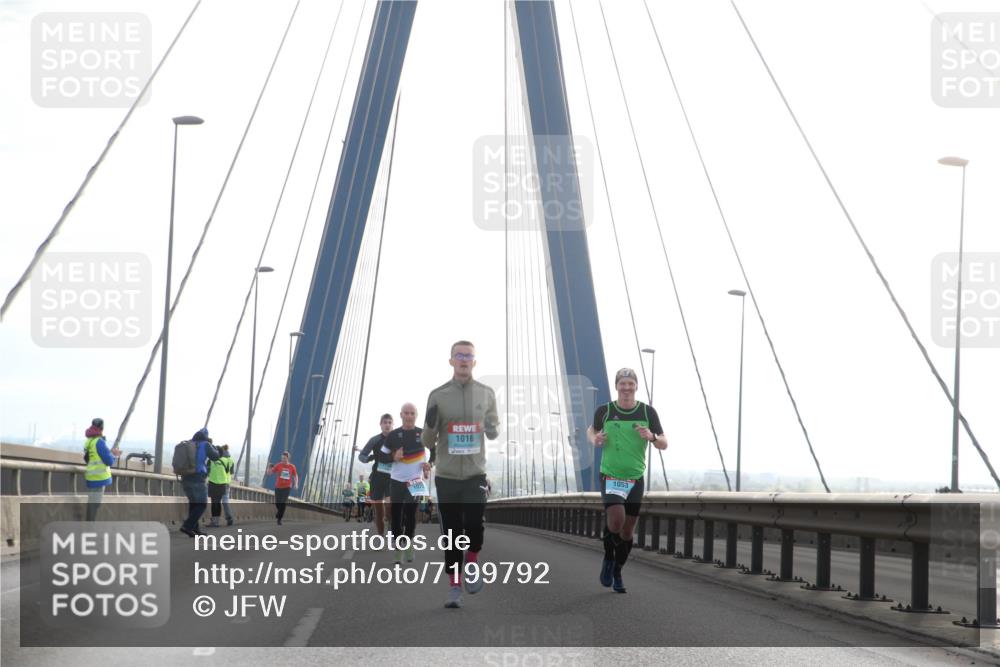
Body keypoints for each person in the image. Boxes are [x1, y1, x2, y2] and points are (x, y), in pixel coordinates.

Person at [422, 340, 499, 608]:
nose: (464, 359)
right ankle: (455, 587)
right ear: (451, 361)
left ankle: (472, 559)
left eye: (468, 356)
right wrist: (431, 425)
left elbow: (494, 432)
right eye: (459, 355)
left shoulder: (487, 393)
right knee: (452, 534)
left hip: (475, 474)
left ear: (474, 362)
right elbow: (427, 441)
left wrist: (491, 426)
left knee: (475, 526)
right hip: (447, 476)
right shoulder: (438, 395)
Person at [587, 368, 668, 593]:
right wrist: (595, 439)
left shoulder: (647, 412)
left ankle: (618, 571)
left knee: (627, 531)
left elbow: (664, 443)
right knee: (616, 520)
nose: (626, 388)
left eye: (630, 383)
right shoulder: (605, 411)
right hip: (610, 475)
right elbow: (591, 430)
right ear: (616, 386)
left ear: (636, 386)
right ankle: (608, 558)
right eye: (622, 383)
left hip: (635, 478)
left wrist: (651, 436)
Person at [385, 403, 428, 565]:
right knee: (396, 515)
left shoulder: (423, 434)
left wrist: (429, 464)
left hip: (416, 480)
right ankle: (398, 548)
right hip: (396, 480)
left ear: (416, 415)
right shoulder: (393, 435)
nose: (409, 416)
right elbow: (382, 457)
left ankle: (409, 543)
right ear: (401, 415)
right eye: (406, 413)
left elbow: (435, 451)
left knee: (411, 515)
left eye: (412, 413)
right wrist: (393, 457)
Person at [180, 428, 221, 537]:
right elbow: (215, 457)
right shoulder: (205, 444)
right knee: (202, 504)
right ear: (205, 437)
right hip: (198, 477)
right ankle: (187, 526)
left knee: (194, 504)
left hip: (185, 476)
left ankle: (194, 530)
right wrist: (215, 448)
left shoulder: (188, 444)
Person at [357, 414, 394, 534]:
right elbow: (361, 455)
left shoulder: (398, 439)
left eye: (389, 422)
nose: (387, 425)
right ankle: (380, 534)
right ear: (380, 425)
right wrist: (369, 458)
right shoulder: (375, 439)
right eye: (385, 422)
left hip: (392, 477)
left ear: (393, 425)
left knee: (389, 505)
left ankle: (390, 523)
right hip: (377, 477)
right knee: (378, 510)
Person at [83, 417, 120, 521]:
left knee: (92, 503)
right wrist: (115, 455)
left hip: (91, 476)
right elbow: (109, 461)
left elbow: (88, 458)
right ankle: (89, 527)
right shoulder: (99, 442)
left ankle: (89, 526)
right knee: (94, 505)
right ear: (102, 428)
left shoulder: (89, 441)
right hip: (99, 478)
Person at [265, 451, 298, 525]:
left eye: (284, 458)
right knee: (278, 503)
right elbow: (269, 473)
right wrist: (269, 468)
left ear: (288, 458)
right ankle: (279, 513)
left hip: (287, 487)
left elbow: (295, 476)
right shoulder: (278, 465)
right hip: (278, 487)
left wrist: (296, 484)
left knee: (283, 503)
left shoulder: (292, 467)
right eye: (282, 458)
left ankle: (279, 519)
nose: (283, 459)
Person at [207, 444, 235, 527]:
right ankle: (227, 518)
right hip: (224, 483)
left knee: (214, 502)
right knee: (222, 502)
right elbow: (230, 471)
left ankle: (215, 521)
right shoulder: (228, 460)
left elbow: (207, 471)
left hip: (213, 483)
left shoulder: (211, 460)